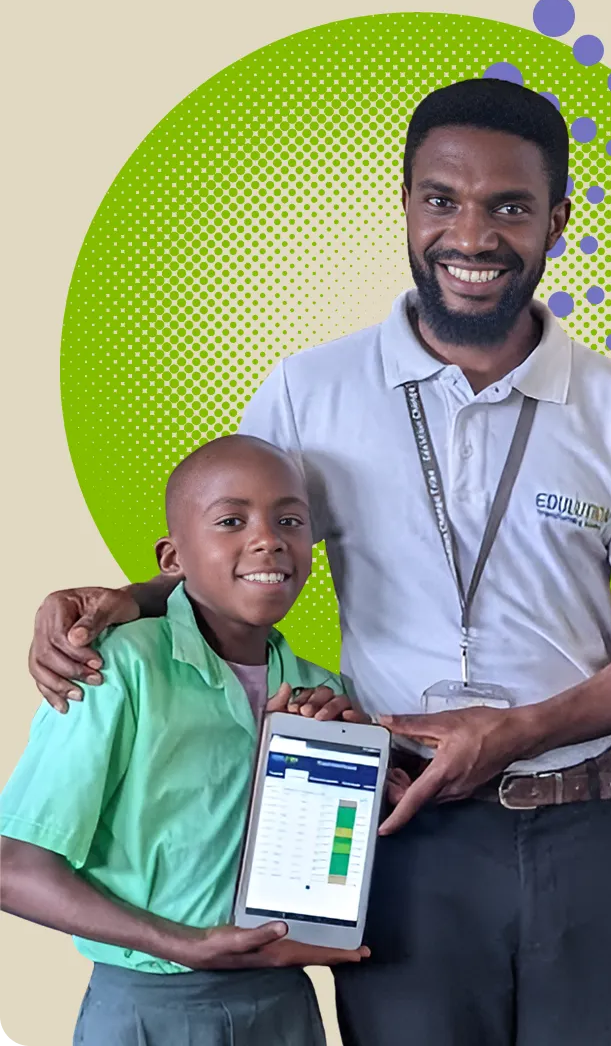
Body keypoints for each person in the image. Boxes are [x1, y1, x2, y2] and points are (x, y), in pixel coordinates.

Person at [23, 81, 611, 1046]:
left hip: (592, 830)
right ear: (407, 206)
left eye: (510, 206)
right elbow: (233, 554)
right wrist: (124, 598)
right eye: (442, 200)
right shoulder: (311, 390)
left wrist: (513, 731)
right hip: (393, 829)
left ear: (556, 222)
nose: (473, 234)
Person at [1, 434, 369, 1046]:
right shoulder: (117, 669)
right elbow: (15, 869)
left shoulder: (320, 691)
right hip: (149, 1007)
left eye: (290, 520)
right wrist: (182, 944)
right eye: (231, 520)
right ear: (172, 559)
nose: (268, 539)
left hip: (282, 1004)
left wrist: (359, 779)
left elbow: (325, 869)